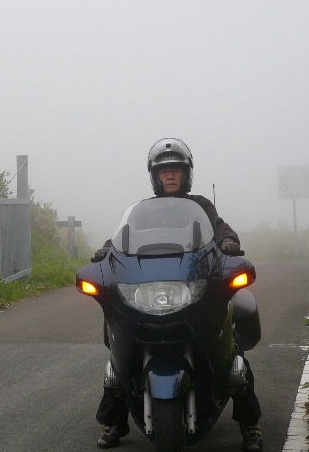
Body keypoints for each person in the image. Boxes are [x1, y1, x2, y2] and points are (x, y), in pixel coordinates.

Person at [92, 138, 263, 451]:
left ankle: (250, 424)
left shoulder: (201, 206)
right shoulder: (143, 211)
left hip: (194, 280)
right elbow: (123, 236)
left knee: (232, 353)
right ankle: (115, 421)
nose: (170, 175)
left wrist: (228, 243)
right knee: (120, 352)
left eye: (176, 170)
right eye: (164, 171)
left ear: (186, 174)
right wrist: (107, 251)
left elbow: (220, 228)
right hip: (150, 283)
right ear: (155, 177)